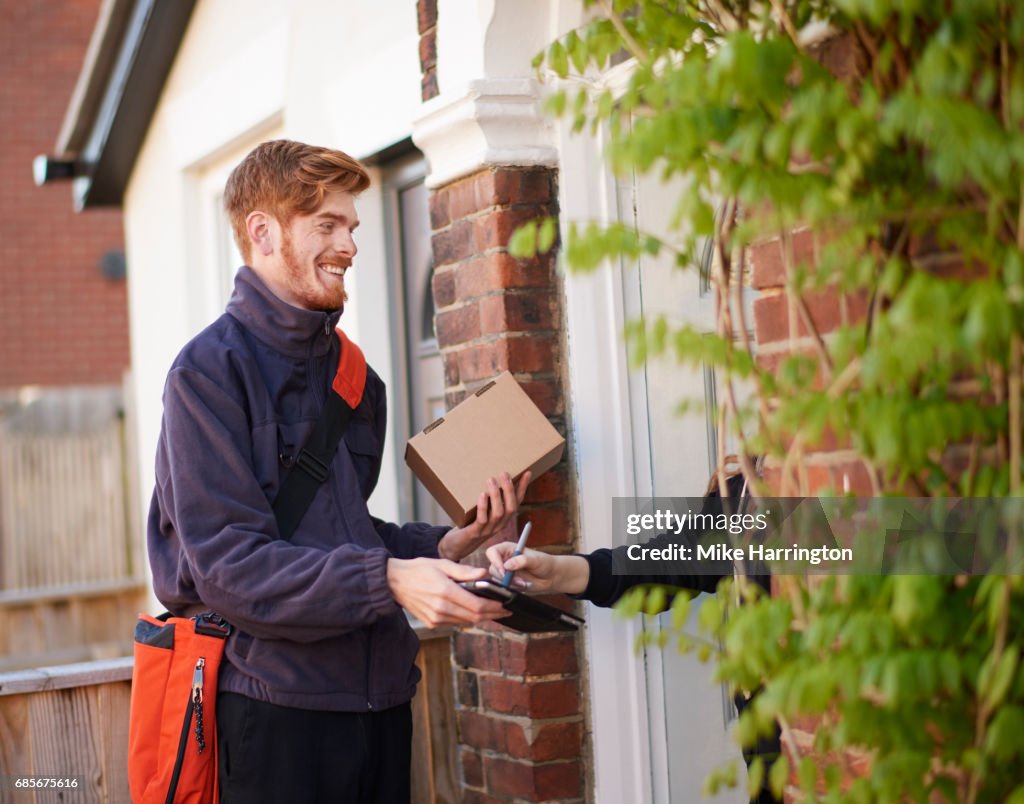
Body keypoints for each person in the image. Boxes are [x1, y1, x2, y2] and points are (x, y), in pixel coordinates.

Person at [147, 139, 529, 804]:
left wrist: (445, 545)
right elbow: (231, 569)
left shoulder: (357, 382)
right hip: (277, 712)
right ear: (262, 233)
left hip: (381, 702)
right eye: (327, 225)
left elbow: (342, 531)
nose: (350, 246)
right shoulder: (205, 377)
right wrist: (391, 578)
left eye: (352, 227)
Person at [486, 468, 782, 804]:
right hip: (771, 761)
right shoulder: (750, 489)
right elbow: (670, 561)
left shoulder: (838, 483)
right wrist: (557, 572)